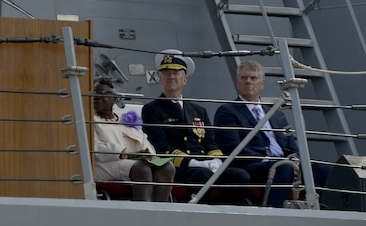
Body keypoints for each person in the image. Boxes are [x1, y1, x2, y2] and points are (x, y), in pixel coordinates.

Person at [213, 59, 330, 207]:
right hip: (253, 165)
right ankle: (275, 214)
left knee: (322, 169)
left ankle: (322, 212)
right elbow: (231, 147)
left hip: (283, 164)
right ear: (237, 83)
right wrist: (270, 160)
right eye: (244, 78)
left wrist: (295, 161)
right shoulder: (228, 111)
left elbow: (292, 147)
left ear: (262, 84)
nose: (248, 82)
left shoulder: (276, 114)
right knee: (282, 168)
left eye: (253, 78)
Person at [141, 50, 250, 204]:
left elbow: (210, 142)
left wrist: (216, 160)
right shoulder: (152, 109)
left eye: (176, 73)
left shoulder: (199, 111)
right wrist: (192, 162)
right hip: (178, 167)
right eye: (166, 73)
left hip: (204, 164)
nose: (171, 76)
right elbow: (160, 146)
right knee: (202, 176)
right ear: (160, 79)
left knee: (239, 176)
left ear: (184, 79)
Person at [92, 77, 175, 202]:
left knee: (167, 167)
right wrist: (129, 154)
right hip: (103, 165)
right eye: (94, 94)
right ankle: (143, 213)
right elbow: (96, 149)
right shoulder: (90, 119)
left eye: (103, 93)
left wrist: (149, 154)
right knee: (141, 168)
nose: (97, 97)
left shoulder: (125, 119)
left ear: (115, 98)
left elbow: (143, 139)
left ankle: (158, 211)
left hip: (133, 161)